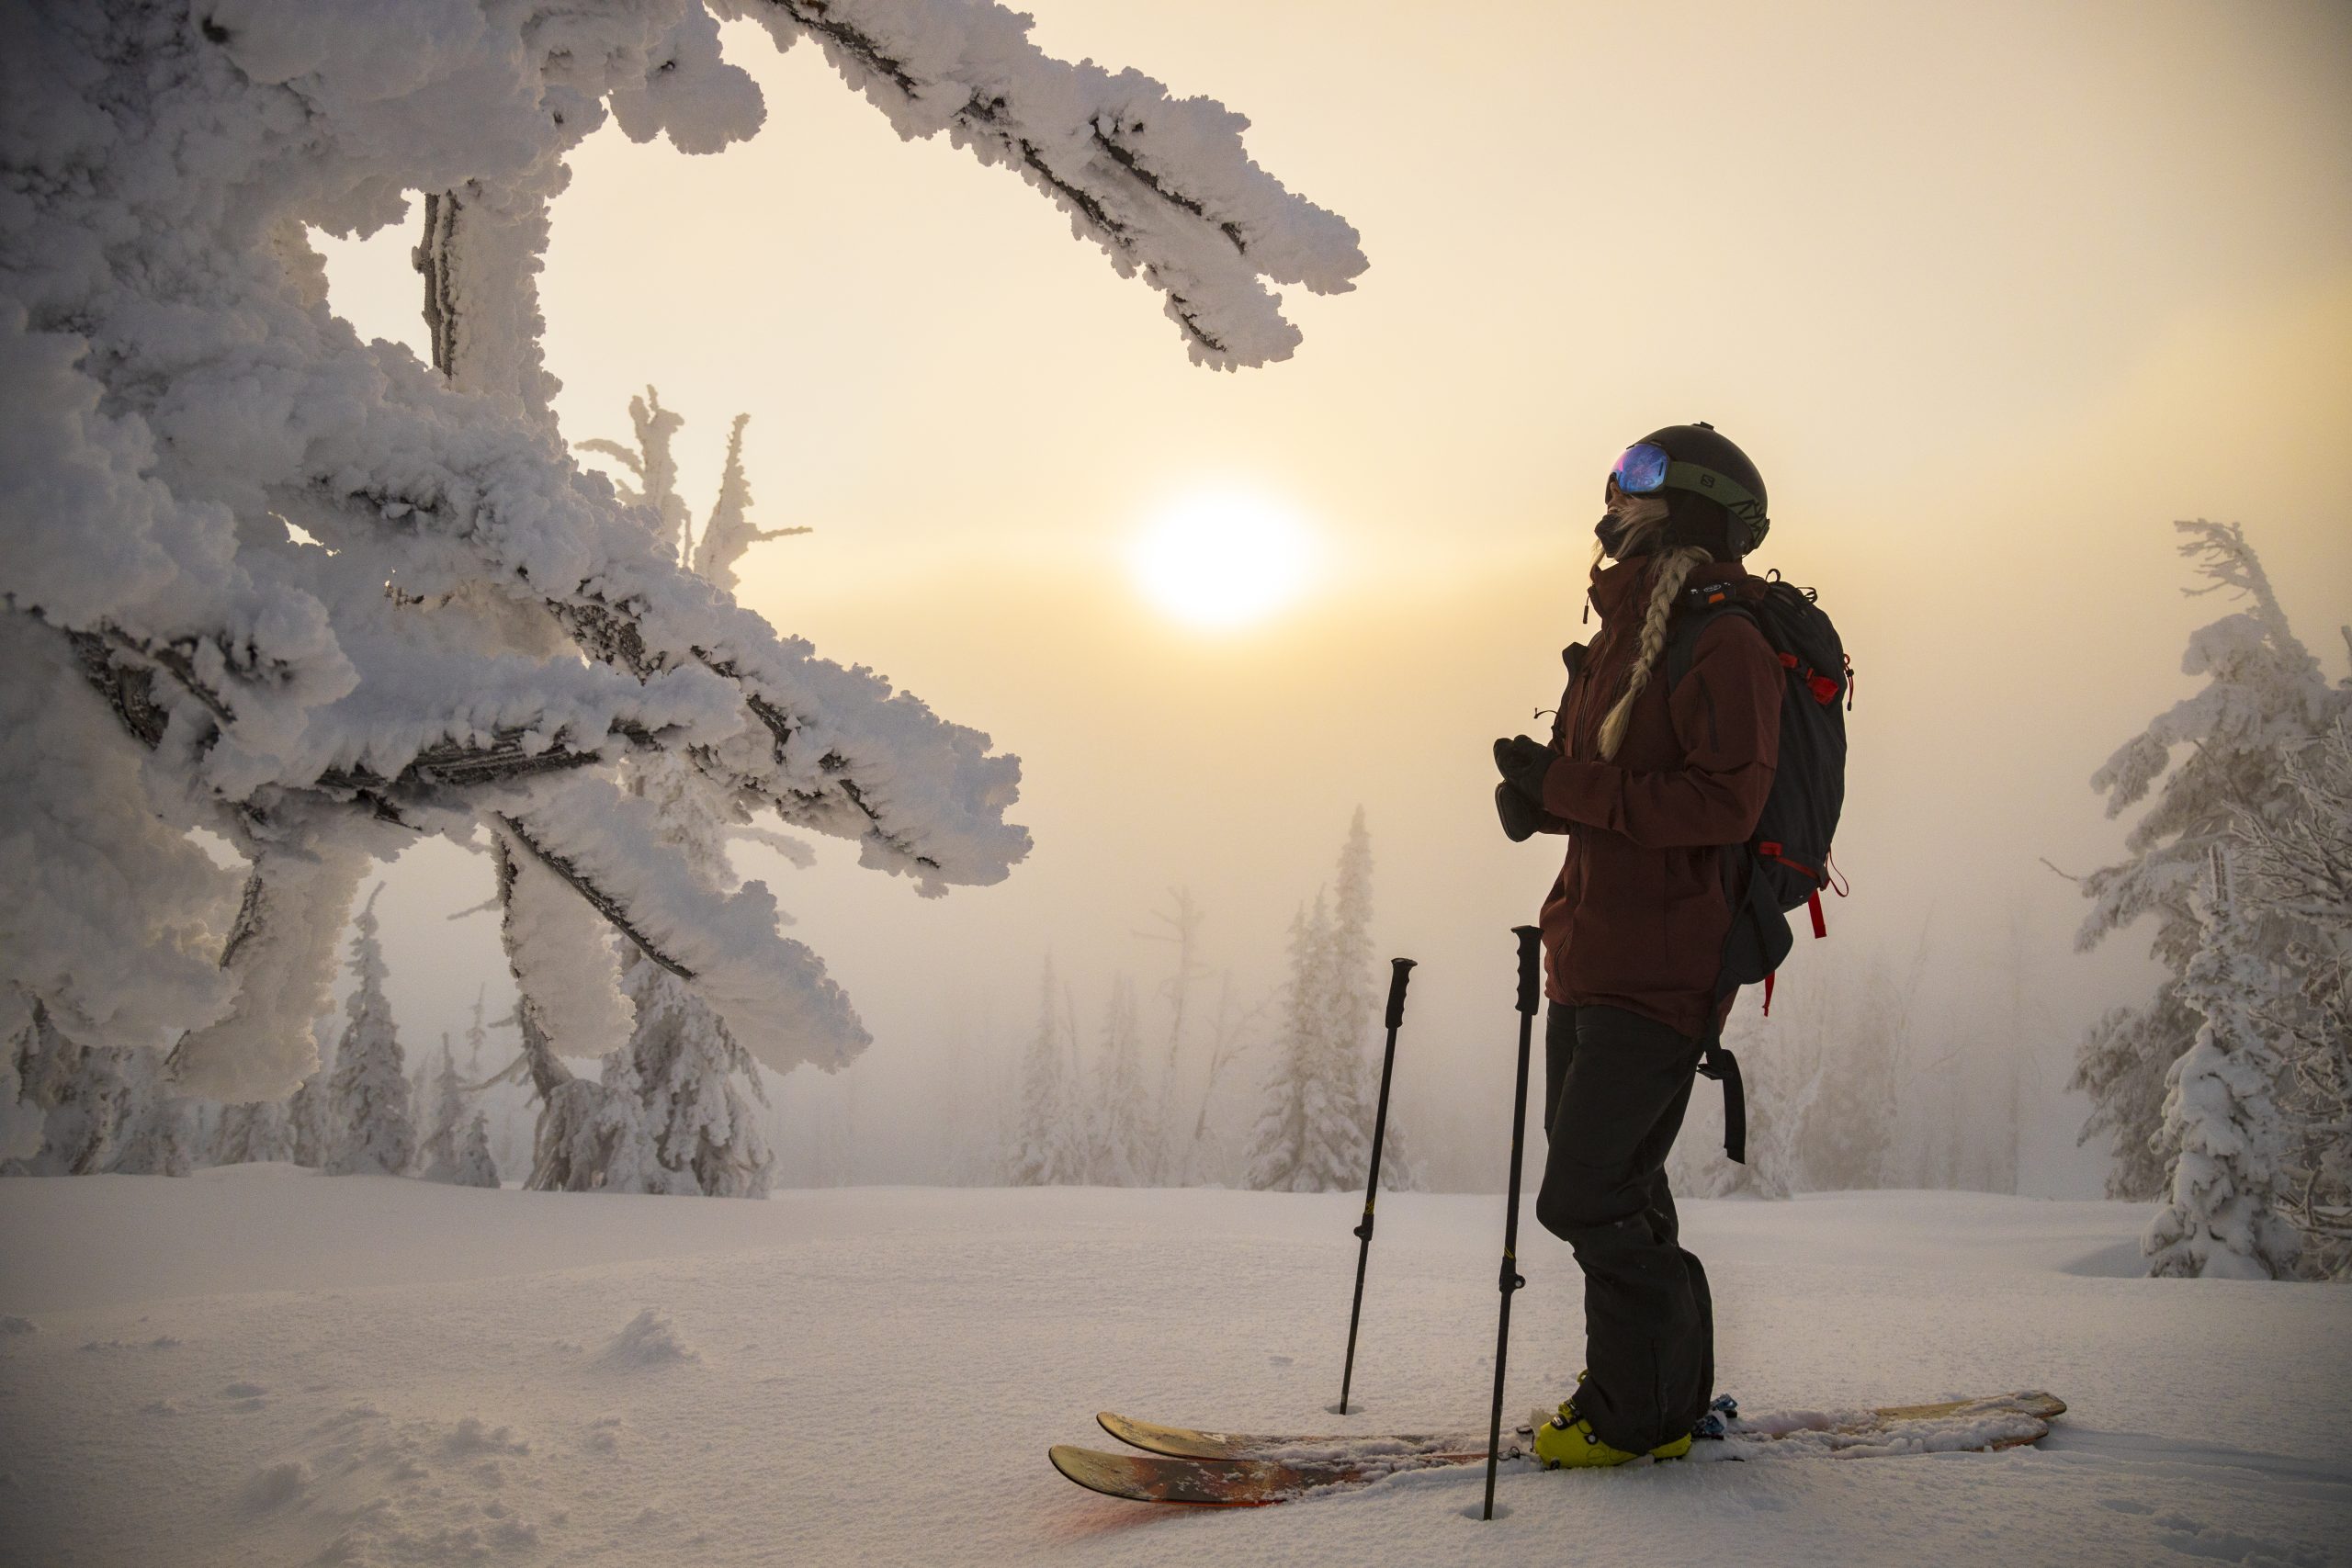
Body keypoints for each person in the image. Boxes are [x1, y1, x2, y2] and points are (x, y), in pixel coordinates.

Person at [1490, 423, 1782, 1468]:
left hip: (1660, 964)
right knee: (1623, 1189)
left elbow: (1724, 804)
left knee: (1587, 1195)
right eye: (1619, 474)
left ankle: (1635, 1415)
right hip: (1592, 945)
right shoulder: (1623, 632)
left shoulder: (1728, 641)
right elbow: (1625, 788)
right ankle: (1653, 1393)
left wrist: (1566, 790)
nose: (1616, 493)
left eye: (1641, 477)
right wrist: (1544, 800)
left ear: (1692, 506)